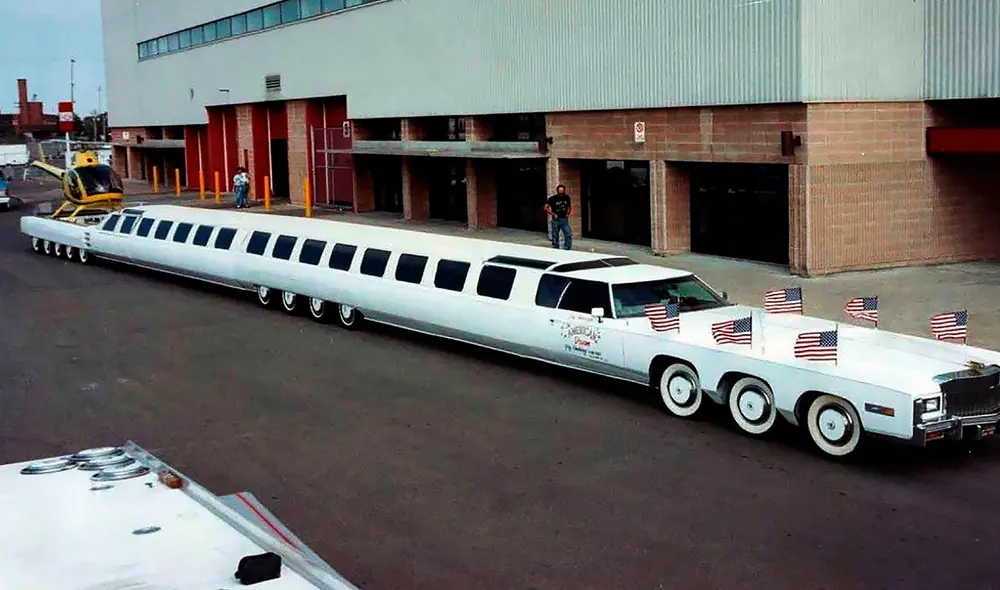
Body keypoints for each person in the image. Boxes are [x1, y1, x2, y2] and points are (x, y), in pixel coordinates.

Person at [544, 184, 573, 250]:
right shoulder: (552, 198)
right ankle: (555, 247)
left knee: (568, 233)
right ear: (557, 190)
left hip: (564, 219)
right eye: (559, 190)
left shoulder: (567, 197)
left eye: (562, 190)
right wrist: (553, 214)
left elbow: (569, 206)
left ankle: (567, 247)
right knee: (555, 235)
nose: (561, 192)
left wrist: (568, 213)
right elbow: (545, 208)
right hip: (556, 220)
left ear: (564, 190)